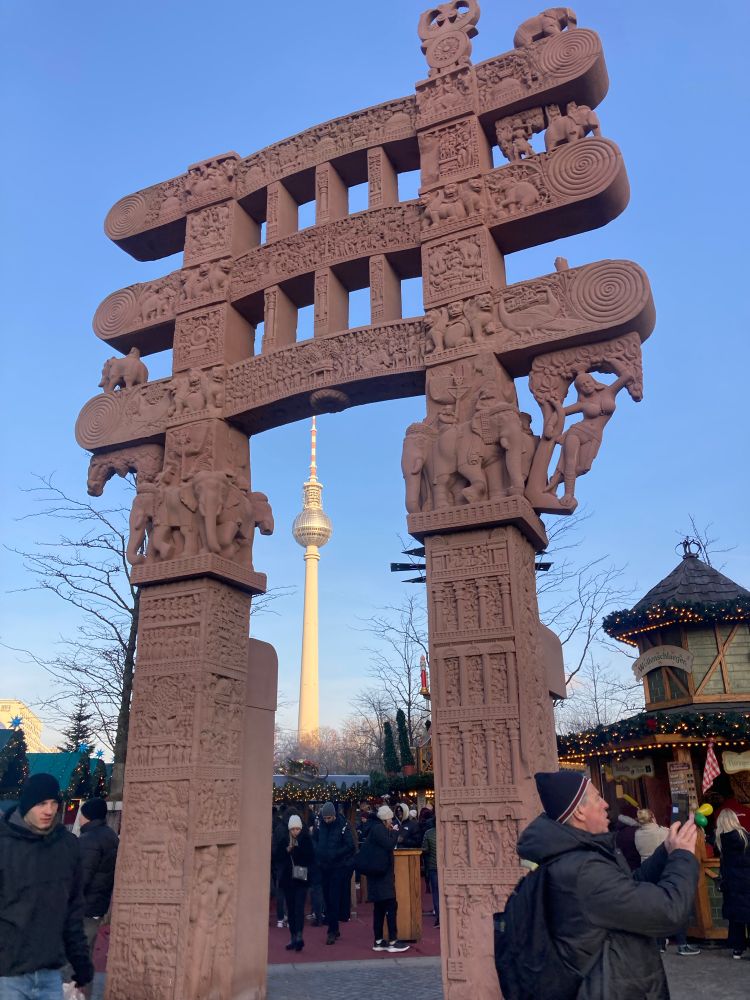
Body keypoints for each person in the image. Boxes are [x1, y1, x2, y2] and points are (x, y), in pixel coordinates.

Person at [514, 771, 699, 998]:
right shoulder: (583, 871)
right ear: (579, 812)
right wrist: (683, 855)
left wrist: (667, 851)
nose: (605, 804)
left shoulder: (580, 858)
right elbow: (669, 910)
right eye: (597, 798)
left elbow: (628, 888)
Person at [0, 773, 94, 999]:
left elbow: (72, 910)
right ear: (27, 805)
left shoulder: (66, 847)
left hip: (50, 973)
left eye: (53, 803)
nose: (49, 810)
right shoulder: (4, 844)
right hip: (8, 974)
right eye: (41, 803)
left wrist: (81, 962)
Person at [635, 808, 700, 956]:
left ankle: (660, 944)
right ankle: (682, 943)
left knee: (655, 908)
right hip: (663, 868)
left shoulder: (638, 834)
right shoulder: (662, 832)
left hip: (646, 870)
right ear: (653, 817)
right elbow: (673, 840)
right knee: (675, 903)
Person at [77, 798, 119, 959]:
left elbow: (82, 876)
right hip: (98, 904)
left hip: (84, 906)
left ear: (88, 816)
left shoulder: (89, 839)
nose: (79, 818)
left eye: (81, 814)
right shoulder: (111, 836)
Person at [367, 805, 410, 954]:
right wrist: (395, 832)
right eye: (390, 819)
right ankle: (392, 940)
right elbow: (389, 844)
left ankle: (379, 941)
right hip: (382, 876)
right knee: (391, 906)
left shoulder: (375, 829)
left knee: (379, 909)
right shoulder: (379, 829)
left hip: (377, 876)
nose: (391, 821)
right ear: (385, 819)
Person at [313, 802, 354, 945]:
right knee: (327, 898)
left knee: (333, 898)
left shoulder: (343, 825)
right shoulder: (320, 825)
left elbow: (350, 845)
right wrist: (317, 852)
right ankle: (334, 927)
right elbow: (314, 840)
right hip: (323, 866)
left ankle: (331, 930)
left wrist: (336, 853)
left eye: (329, 818)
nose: (327, 820)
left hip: (337, 867)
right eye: (325, 818)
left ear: (334, 816)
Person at [274, 814, 314, 952]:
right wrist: (287, 850)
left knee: (299, 908)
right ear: (289, 829)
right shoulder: (284, 840)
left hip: (301, 878)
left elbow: (310, 857)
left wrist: (296, 850)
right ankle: (293, 936)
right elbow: (277, 857)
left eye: (297, 829)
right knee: (290, 909)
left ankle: (299, 935)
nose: (295, 831)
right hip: (288, 879)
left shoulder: (306, 839)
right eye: (293, 829)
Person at [716, 808, 750, 959]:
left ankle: (737, 949)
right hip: (747, 881)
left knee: (736, 918)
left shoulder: (720, 840)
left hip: (731, 883)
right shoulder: (745, 836)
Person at [421, 821, 439, 926]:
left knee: (436, 893)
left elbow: (425, 849)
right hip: (446, 867)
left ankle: (439, 917)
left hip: (433, 866)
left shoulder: (428, 833)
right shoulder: (449, 831)